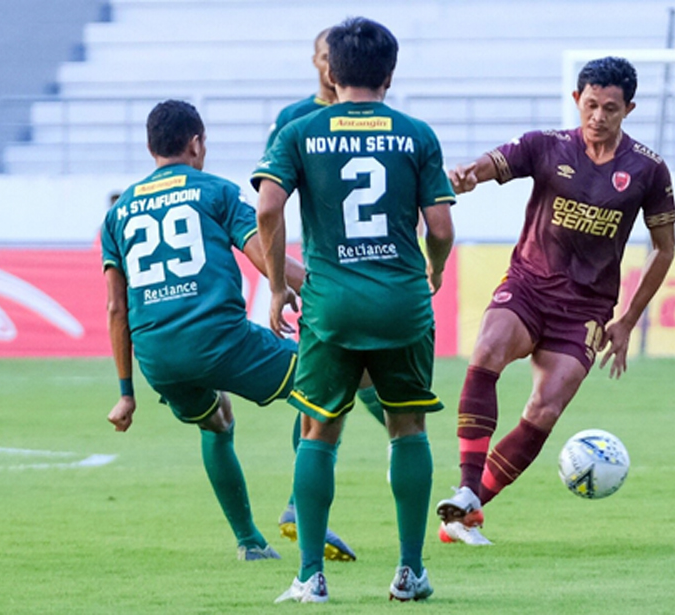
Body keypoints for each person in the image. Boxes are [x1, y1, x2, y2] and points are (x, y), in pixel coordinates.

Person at [435, 56, 675, 545]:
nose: (598, 116)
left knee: (544, 409)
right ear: (576, 100)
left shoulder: (647, 170)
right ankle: (465, 490)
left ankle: (467, 514)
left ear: (629, 108)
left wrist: (628, 319)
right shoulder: (546, 146)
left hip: (586, 309)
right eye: (590, 105)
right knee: (485, 353)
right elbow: (495, 162)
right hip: (528, 285)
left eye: (611, 108)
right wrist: (467, 176)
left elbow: (664, 248)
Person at [253, 17, 455, 604]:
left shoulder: (299, 130)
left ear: (331, 72)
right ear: (390, 75)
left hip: (330, 302)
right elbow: (440, 225)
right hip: (401, 299)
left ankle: (310, 577)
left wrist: (274, 284)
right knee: (408, 427)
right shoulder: (415, 134)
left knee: (318, 429)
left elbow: (267, 210)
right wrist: (433, 268)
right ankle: (410, 572)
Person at [101, 99, 353, 563]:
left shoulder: (117, 214)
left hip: (158, 356)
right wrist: (314, 287)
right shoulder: (214, 191)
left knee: (216, 422)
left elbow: (117, 308)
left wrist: (126, 393)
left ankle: (249, 542)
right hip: (221, 341)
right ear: (196, 143)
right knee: (327, 385)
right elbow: (262, 250)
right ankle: (300, 506)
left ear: (150, 146)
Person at [264, 26, 386, 549]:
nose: (323, 63)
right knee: (345, 392)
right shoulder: (295, 120)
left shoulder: (374, 120)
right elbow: (273, 206)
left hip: (345, 282)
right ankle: (302, 504)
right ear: (320, 62)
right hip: (334, 277)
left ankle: (300, 508)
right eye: (318, 52)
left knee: (337, 389)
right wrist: (284, 276)